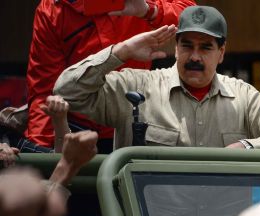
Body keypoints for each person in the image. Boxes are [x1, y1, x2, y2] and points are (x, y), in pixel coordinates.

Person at [53, 5, 260, 150]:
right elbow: (67, 91)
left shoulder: (243, 96)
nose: (194, 56)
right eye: (187, 46)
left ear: (221, 53)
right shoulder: (138, 87)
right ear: (176, 48)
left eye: (205, 47)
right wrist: (122, 51)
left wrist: (247, 148)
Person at [26, 0, 196, 153]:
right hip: (77, 125)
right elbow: (45, 91)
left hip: (134, 120)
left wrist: (149, 10)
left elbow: (194, 18)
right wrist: (42, 151)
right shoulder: (52, 10)